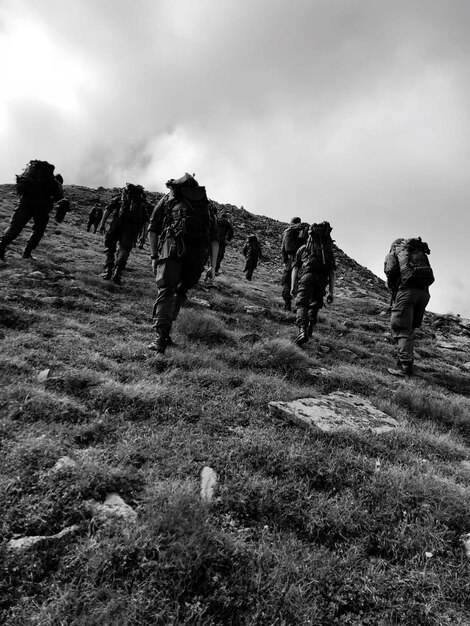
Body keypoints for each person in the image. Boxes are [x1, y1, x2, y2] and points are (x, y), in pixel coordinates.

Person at [148, 173, 219, 354]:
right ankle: (166, 331)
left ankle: (160, 337)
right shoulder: (206, 205)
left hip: (172, 249)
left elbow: (153, 228)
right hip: (196, 256)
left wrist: (154, 255)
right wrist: (213, 266)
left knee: (165, 290)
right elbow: (214, 240)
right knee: (180, 292)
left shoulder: (169, 198)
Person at [384, 237, 434, 377]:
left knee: (401, 328)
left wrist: (391, 285)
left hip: (406, 292)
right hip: (424, 293)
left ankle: (405, 368)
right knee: (410, 328)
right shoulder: (418, 253)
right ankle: (406, 362)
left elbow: (391, 271)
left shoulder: (394, 253)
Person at [0, 161, 64, 261]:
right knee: (38, 230)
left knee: (14, 227)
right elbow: (59, 197)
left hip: (24, 203)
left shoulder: (33, 179)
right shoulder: (56, 183)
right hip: (41, 209)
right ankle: (27, 253)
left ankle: (1, 246)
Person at [290, 221, 336, 346]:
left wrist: (293, 286)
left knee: (302, 304)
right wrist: (331, 292)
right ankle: (310, 326)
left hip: (307, 277)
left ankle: (302, 331)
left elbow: (295, 268)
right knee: (315, 304)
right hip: (322, 279)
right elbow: (332, 273)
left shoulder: (303, 249)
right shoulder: (328, 251)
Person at [98, 183, 150, 285]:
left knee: (110, 246)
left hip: (117, 222)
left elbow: (108, 209)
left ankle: (108, 270)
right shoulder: (141, 202)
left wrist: (102, 224)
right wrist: (143, 235)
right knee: (124, 249)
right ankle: (118, 272)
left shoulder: (121, 197)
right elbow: (146, 221)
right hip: (132, 227)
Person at [280, 217, 309, 311]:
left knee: (286, 281)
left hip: (290, 260)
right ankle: (298, 307)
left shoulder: (287, 231)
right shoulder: (303, 231)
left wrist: (284, 260)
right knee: (301, 283)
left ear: (291, 223)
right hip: (301, 261)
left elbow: (283, 247)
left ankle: (287, 305)